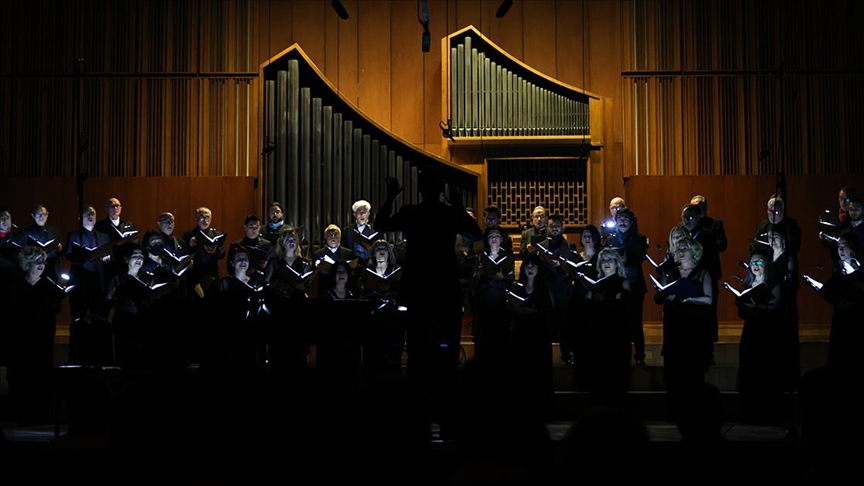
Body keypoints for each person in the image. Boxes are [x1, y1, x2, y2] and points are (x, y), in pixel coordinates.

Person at [374, 166, 482, 438]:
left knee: (418, 356)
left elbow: (379, 225)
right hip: (445, 289)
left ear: (420, 189)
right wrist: (458, 206)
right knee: (448, 357)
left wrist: (390, 198)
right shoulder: (449, 214)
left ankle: (415, 421)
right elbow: (477, 234)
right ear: (442, 190)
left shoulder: (411, 212)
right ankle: (448, 421)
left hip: (419, 290)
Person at [652, 235, 715, 428]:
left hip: (694, 327)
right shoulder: (670, 272)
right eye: (678, 248)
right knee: (674, 370)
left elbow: (709, 299)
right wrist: (665, 294)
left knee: (693, 370)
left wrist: (689, 299)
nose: (680, 251)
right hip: (674, 325)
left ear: (694, 251)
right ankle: (674, 413)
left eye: (684, 248)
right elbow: (658, 296)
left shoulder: (703, 272)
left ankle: (695, 415)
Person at [7, 246, 66, 424]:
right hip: (22, 339)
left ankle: (42, 415)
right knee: (23, 375)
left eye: (43, 261)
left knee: (42, 374)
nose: (41, 265)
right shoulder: (16, 286)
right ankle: (22, 414)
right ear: (27, 264)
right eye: (37, 261)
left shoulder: (49, 285)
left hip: (42, 337)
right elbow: (12, 311)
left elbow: (55, 307)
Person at [734, 247, 784, 424]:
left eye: (759, 262)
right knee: (749, 368)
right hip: (750, 330)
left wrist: (755, 307)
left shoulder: (774, 284)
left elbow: (775, 306)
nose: (755, 265)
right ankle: (749, 413)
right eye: (753, 262)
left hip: (767, 333)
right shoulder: (748, 284)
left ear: (767, 265)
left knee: (765, 370)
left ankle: (767, 414)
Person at [580, 248, 631, 407]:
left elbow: (623, 305)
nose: (606, 263)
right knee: (599, 375)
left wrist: (603, 300)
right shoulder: (595, 284)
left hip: (617, 335)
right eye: (603, 260)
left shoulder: (623, 281)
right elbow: (586, 305)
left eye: (610, 260)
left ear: (617, 263)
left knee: (616, 376)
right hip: (598, 334)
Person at [64, 204, 114, 364]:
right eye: (86, 214)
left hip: (98, 283)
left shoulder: (104, 237)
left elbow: (110, 258)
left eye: (92, 213)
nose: (90, 216)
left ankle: (99, 358)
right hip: (80, 283)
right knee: (78, 321)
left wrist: (107, 259)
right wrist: (84, 255)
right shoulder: (73, 235)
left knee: (99, 321)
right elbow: (69, 255)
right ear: (80, 217)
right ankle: (75, 357)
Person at [508, 252, 555, 420]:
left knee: (539, 374)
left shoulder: (543, 289)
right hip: (521, 337)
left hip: (538, 338)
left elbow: (549, 312)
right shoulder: (517, 288)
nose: (529, 268)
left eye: (533, 265)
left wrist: (535, 312)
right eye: (526, 265)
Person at [606, 207, 649, 366]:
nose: (622, 222)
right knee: (617, 322)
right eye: (619, 219)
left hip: (635, 284)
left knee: (636, 321)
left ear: (631, 222)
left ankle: (640, 356)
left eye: (625, 219)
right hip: (616, 285)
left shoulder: (640, 238)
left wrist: (626, 259)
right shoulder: (610, 239)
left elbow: (640, 257)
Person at [471, 225, 515, 366]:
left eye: (497, 236)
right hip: (483, 300)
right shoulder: (480, 256)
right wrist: (478, 275)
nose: (494, 239)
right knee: (483, 334)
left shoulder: (507, 256)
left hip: (500, 300)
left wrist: (501, 277)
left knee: (500, 334)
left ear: (501, 239)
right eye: (491, 236)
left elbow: (510, 278)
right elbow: (472, 280)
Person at [182, 206, 227, 298]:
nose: (205, 220)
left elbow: (221, 254)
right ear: (196, 218)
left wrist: (216, 250)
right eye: (202, 217)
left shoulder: (216, 235)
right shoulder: (188, 234)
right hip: (194, 275)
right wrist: (189, 245)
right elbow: (182, 255)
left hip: (211, 274)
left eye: (208, 217)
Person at [94, 197, 139, 282]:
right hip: (109, 262)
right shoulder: (100, 225)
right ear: (106, 209)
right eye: (112, 206)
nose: (115, 208)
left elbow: (135, 241)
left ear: (121, 208)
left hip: (126, 261)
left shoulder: (128, 224)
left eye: (117, 206)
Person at [20, 203, 63, 281]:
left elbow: (61, 251)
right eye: (38, 214)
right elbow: (23, 254)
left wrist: (60, 249)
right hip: (34, 270)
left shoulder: (55, 231)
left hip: (52, 269)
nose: (41, 217)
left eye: (44, 214)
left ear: (47, 215)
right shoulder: (26, 233)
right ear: (33, 216)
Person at [342, 199, 377, 266]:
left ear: (368, 214)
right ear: (354, 215)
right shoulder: (347, 231)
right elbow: (344, 250)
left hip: (371, 266)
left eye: (364, 212)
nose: (362, 214)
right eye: (359, 212)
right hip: (352, 266)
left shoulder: (375, 229)